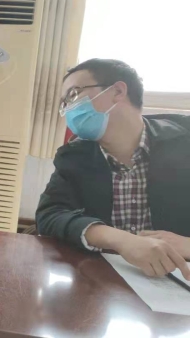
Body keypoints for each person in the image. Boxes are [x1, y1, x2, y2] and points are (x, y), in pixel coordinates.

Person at [37, 59, 190, 279]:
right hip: (105, 279)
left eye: (73, 94)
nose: (68, 109)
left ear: (117, 91)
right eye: (64, 103)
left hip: (179, 281)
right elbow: (49, 214)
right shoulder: (75, 156)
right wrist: (119, 240)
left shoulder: (184, 143)